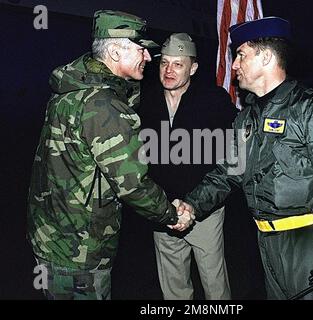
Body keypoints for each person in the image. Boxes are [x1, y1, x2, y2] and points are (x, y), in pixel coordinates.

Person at [178, 17, 313, 300]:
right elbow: (228, 172)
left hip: (307, 242)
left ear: (265, 57)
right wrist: (191, 205)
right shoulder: (247, 117)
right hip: (265, 242)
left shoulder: (308, 108)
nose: (235, 65)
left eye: (240, 55)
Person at [27, 10, 194, 300]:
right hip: (79, 251)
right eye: (141, 49)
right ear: (116, 51)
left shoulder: (72, 90)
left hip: (51, 237)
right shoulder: (104, 106)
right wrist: (170, 214)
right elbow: (132, 184)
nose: (147, 57)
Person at [138, 33, 236, 300]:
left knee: (215, 287)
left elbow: (233, 156)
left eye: (177, 64)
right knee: (174, 288)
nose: (168, 70)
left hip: (203, 211)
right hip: (162, 208)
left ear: (192, 68)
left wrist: (195, 204)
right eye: (164, 63)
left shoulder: (214, 101)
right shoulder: (144, 100)